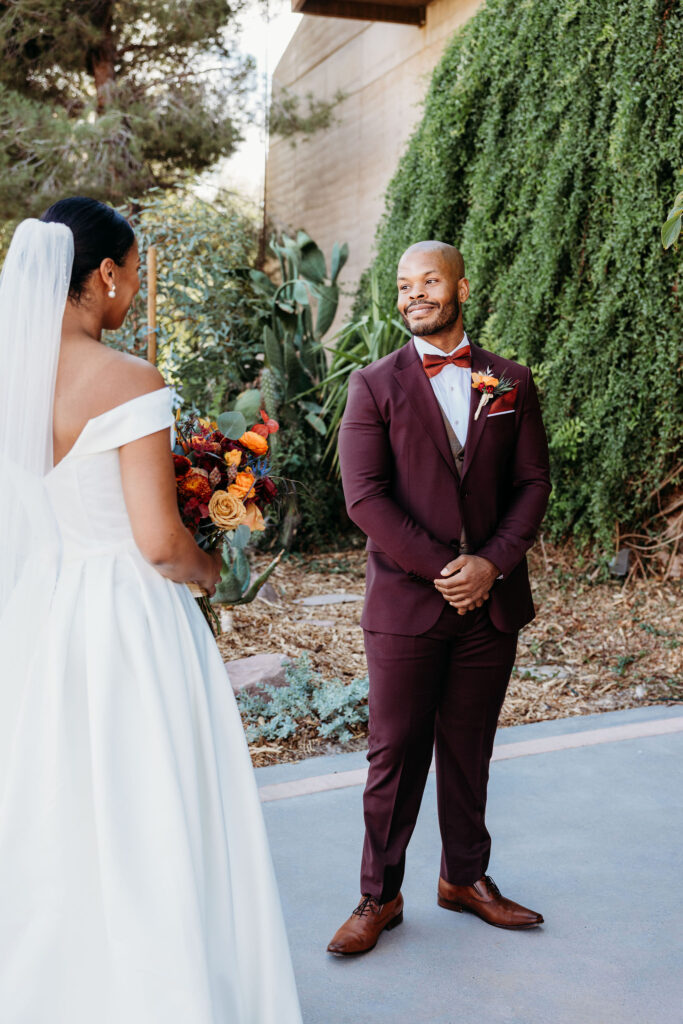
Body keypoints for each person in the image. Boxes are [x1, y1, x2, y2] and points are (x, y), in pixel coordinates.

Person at [0, 200, 303, 1022]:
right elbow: (159, 543)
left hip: (45, 615)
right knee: (152, 807)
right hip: (126, 620)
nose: (132, 290)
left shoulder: (11, 379)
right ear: (104, 274)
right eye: (132, 273)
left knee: (63, 811)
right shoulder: (127, 379)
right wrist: (212, 568)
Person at [328, 240, 551, 955]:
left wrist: (489, 565)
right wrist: (446, 570)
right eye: (402, 285)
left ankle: (464, 879)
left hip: (493, 604)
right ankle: (378, 895)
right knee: (393, 754)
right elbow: (364, 498)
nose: (413, 294)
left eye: (428, 281)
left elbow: (531, 484)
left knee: (470, 748)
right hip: (406, 605)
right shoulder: (373, 384)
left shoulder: (508, 381)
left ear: (459, 286)